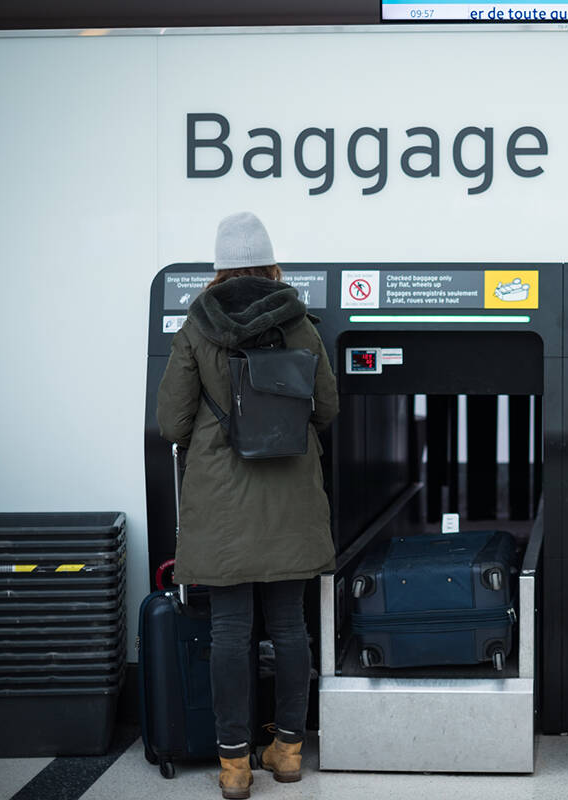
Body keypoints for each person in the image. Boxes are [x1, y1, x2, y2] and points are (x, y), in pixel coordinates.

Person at [156, 211, 338, 799]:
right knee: (289, 624)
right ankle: (287, 751)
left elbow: (171, 422)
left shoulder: (196, 328)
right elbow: (327, 411)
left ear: (218, 267)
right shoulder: (299, 325)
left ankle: (234, 764)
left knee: (231, 630)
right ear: (270, 261)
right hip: (289, 497)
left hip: (221, 503)